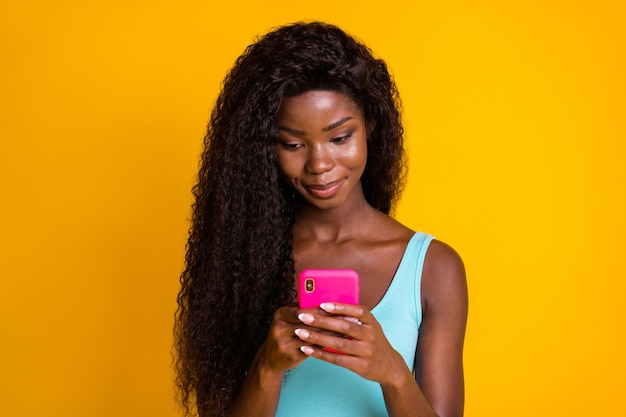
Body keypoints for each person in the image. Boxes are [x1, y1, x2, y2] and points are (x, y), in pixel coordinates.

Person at [174, 21, 468, 417]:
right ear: (266, 147)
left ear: (371, 127)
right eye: (293, 144)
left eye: (339, 138)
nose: (319, 164)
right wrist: (267, 367)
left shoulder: (433, 269)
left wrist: (393, 372)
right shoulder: (245, 258)